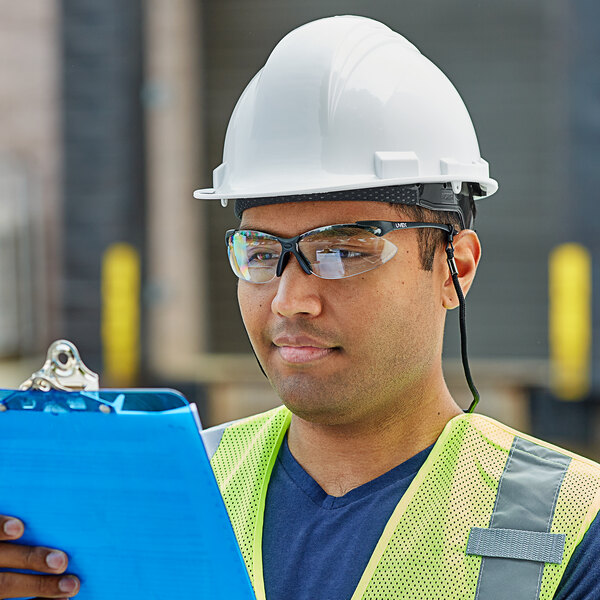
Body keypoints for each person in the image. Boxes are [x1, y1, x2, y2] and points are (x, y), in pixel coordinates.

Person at [0, 15, 599, 600]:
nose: (291, 300)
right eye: (262, 254)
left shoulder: (575, 528)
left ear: (453, 267)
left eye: (341, 251)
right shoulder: (157, 488)